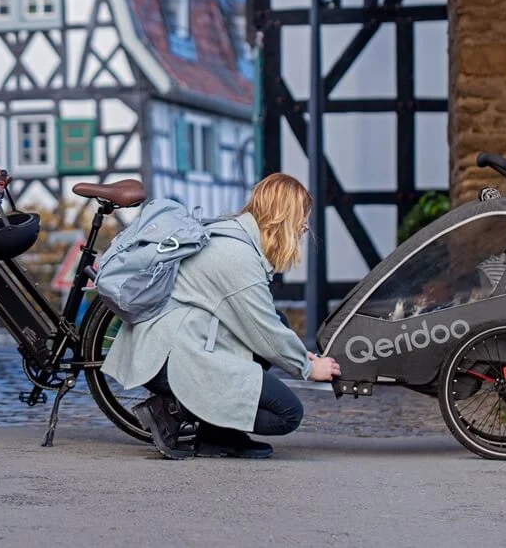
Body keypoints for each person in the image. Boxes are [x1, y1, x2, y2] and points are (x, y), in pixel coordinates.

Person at [100, 173, 341, 460]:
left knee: (280, 321)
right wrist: (308, 368)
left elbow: (267, 324)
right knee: (287, 413)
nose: (304, 227)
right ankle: (172, 412)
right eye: (302, 217)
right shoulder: (237, 256)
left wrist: (301, 355)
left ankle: (218, 435)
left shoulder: (234, 235)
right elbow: (264, 331)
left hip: (179, 342)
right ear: (283, 217)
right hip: (166, 359)